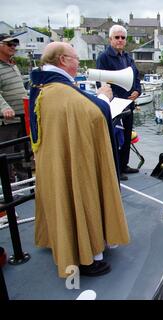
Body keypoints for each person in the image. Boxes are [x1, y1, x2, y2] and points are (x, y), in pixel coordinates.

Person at [29, 42, 130, 278]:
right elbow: (92, 113)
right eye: (75, 58)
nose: (78, 62)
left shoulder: (41, 85)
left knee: (60, 195)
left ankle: (60, 239)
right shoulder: (60, 90)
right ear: (63, 60)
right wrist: (103, 98)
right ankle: (86, 256)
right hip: (74, 158)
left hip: (52, 158)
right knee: (79, 192)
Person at [97, 25, 142, 181]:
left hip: (128, 104)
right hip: (115, 105)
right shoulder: (104, 58)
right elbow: (102, 83)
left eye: (123, 37)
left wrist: (137, 91)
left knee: (127, 135)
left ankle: (124, 165)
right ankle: (116, 169)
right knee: (116, 139)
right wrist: (113, 99)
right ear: (110, 39)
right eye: (117, 37)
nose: (120, 40)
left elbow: (136, 77)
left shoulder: (128, 58)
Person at [0, 34, 28, 181]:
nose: (13, 47)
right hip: (7, 121)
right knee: (7, 157)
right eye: (9, 44)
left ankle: (25, 186)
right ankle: (8, 192)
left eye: (15, 44)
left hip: (21, 116)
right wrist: (4, 108)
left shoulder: (12, 64)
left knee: (23, 154)